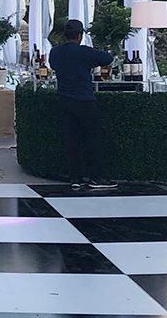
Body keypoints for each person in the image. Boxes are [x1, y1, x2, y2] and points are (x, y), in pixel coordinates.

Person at [49, 19, 117, 190]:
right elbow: (107, 58)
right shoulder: (84, 52)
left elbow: (53, 66)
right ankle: (97, 177)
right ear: (80, 36)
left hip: (64, 100)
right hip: (84, 100)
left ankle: (75, 177)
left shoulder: (55, 52)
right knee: (93, 138)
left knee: (72, 139)